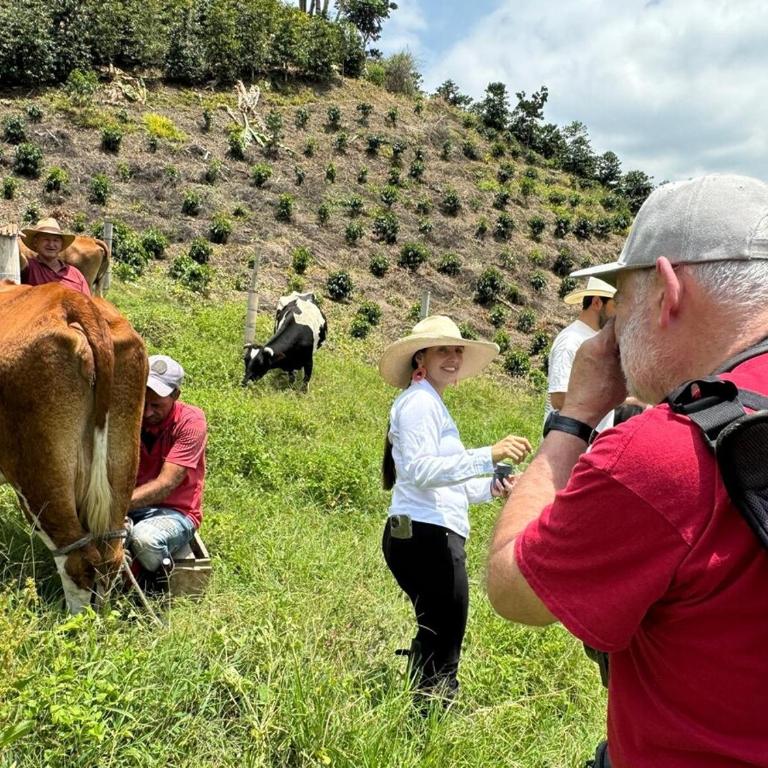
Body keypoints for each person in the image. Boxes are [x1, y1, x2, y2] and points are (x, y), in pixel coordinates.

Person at [486, 174, 768, 767]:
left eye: (621, 303)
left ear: (667, 291)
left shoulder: (666, 451)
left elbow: (514, 589)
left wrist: (576, 418)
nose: (611, 329)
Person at [378, 315, 532, 701]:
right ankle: (432, 710)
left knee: (440, 626)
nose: (453, 357)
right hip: (426, 534)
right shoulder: (418, 404)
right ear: (421, 358)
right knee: (445, 630)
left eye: (457, 350)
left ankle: (422, 707)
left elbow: (449, 485)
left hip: (429, 530)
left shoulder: (431, 404)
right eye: (442, 349)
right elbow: (418, 471)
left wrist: (492, 486)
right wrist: (487, 454)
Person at [127, 354, 208, 575]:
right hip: (130, 505)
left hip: (174, 511)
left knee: (145, 539)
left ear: (175, 395)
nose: (146, 412)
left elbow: (166, 483)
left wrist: (115, 507)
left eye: (156, 405)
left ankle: (161, 581)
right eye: (142, 401)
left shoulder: (191, 423)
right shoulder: (129, 417)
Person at [545, 277, 615, 431]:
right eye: (614, 305)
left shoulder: (595, 339)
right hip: (568, 445)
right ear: (597, 302)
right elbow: (559, 398)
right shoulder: (570, 341)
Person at [19, 217, 91, 296]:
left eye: (56, 240)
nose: (51, 244)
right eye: (46, 239)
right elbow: (18, 258)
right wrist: (9, 238)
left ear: (61, 244)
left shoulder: (75, 274)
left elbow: (89, 303)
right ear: (36, 242)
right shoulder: (30, 268)